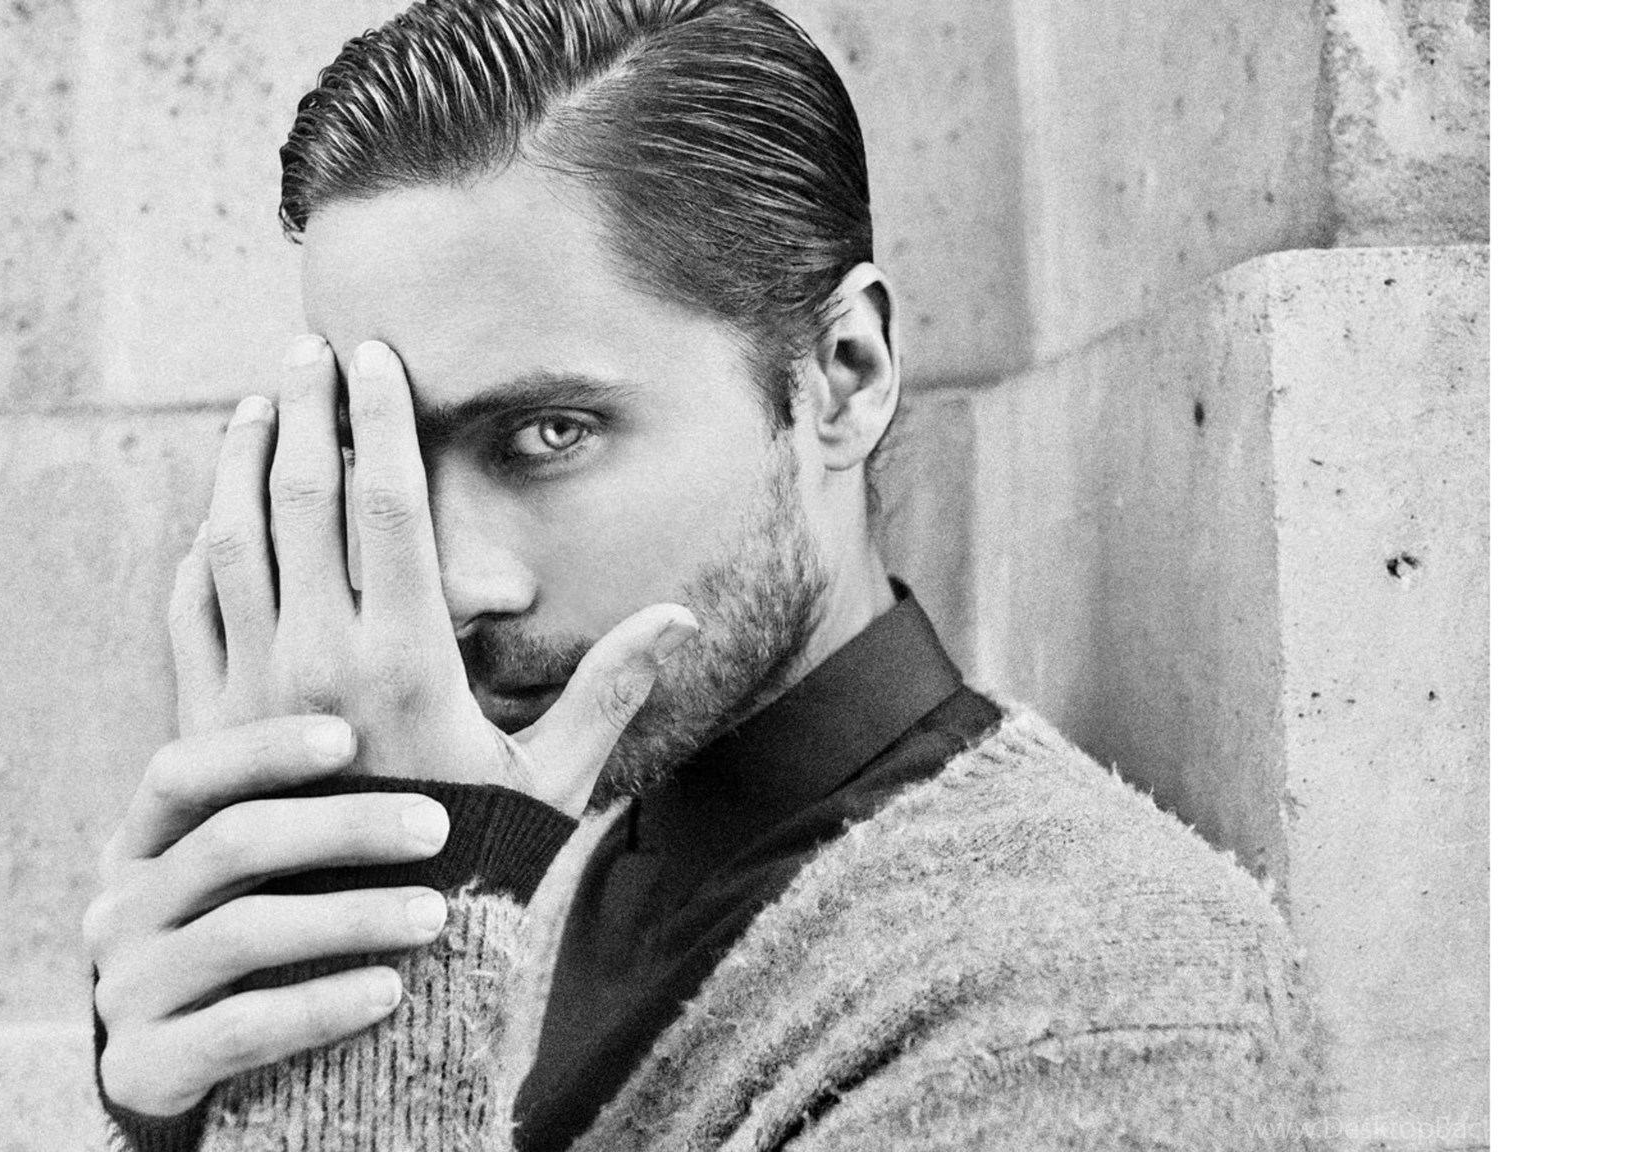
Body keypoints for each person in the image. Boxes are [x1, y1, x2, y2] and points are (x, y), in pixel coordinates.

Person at [82, 1, 1321, 1148]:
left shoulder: (1094, 1000)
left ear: (840, 377)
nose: (453, 583)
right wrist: (207, 1091)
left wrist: (359, 1065)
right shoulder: (525, 861)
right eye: (386, 452)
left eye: (548, 434)